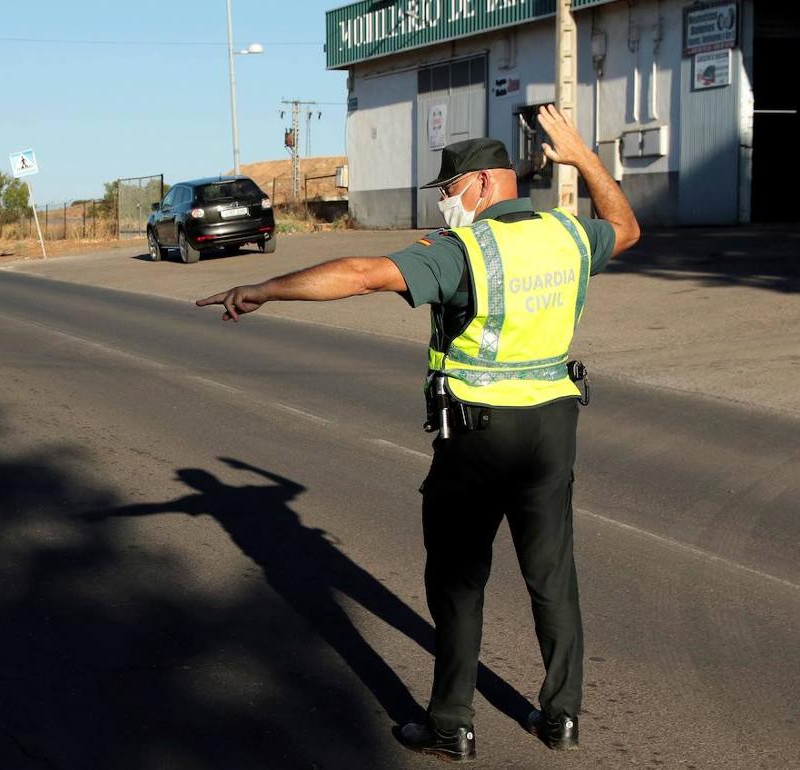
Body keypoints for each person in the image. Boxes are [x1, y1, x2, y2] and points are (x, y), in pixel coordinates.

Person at [196, 105, 640, 763]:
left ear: (484, 185)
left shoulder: (463, 250)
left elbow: (360, 274)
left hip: (478, 439)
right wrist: (584, 159)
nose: (444, 201)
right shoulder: (567, 234)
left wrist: (266, 289)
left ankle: (452, 724)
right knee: (551, 575)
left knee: (459, 583)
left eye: (449, 188)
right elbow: (626, 228)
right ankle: (561, 716)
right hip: (552, 429)